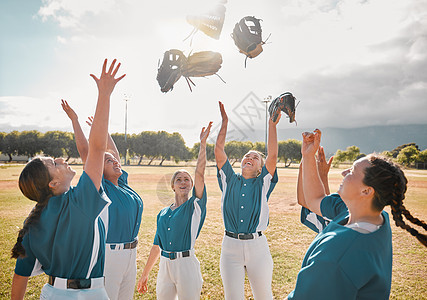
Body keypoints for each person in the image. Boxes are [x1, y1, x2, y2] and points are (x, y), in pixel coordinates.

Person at [10, 59, 125, 299]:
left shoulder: (32, 224)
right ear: (52, 184)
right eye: (54, 163)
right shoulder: (80, 201)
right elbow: (96, 149)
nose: (61, 160)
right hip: (90, 294)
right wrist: (104, 95)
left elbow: (20, 278)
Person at [287, 129, 427, 299]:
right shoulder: (374, 217)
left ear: (366, 191)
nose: (343, 172)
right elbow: (315, 198)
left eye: (352, 171)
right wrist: (308, 156)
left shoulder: (337, 253)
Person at [61, 100, 143, 300]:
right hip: (109, 255)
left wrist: (105, 134)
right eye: (108, 161)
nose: (115, 161)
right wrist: (75, 120)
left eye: (115, 161)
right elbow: (86, 153)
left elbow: (114, 153)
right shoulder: (100, 188)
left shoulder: (122, 184)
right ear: (99, 169)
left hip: (131, 255)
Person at [137, 121, 212, 299]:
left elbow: (200, 173)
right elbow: (156, 246)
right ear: (172, 186)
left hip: (186, 265)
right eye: (179, 179)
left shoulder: (195, 206)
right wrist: (145, 273)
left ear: (192, 185)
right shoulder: (163, 214)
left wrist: (203, 144)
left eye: (187, 179)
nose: (183, 182)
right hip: (165, 266)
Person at [214, 101, 281, 300]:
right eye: (246, 156)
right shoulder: (229, 179)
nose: (249, 157)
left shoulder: (263, 183)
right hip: (230, 246)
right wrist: (225, 122)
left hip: (257, 247)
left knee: (263, 296)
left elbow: (273, 155)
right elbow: (219, 151)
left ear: (260, 168)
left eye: (255, 157)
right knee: (232, 297)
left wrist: (272, 124)